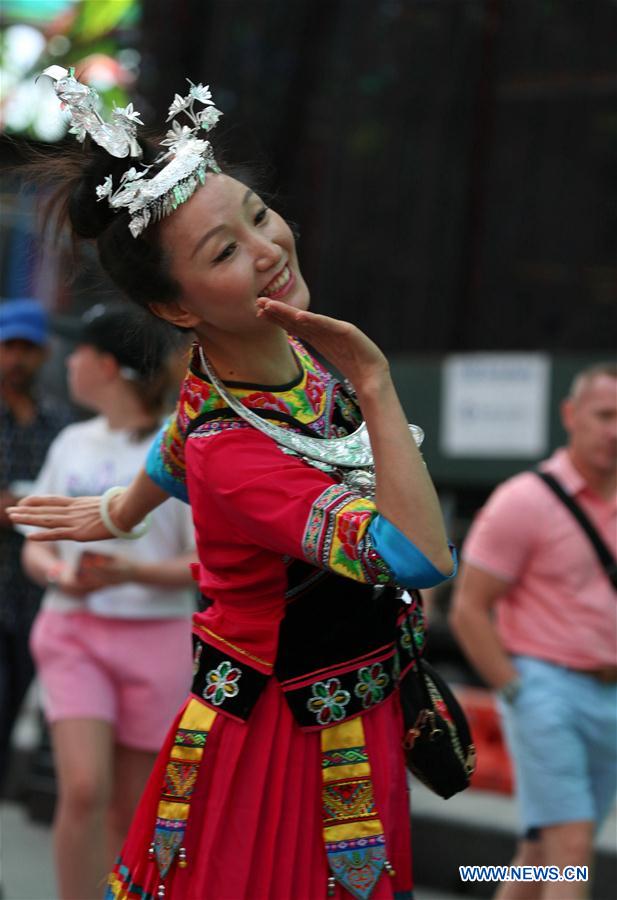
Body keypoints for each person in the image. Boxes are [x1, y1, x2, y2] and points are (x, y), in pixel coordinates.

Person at [9, 70, 456, 900]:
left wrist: (119, 509)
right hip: (285, 737)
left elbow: (174, 441)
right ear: (178, 310)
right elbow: (417, 555)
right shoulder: (241, 447)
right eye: (223, 252)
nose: (267, 249)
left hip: (348, 698)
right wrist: (378, 382)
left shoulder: (246, 363)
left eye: (257, 216)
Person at [19, 302, 197, 900]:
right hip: (73, 631)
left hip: (159, 642)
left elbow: (207, 564)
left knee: (132, 810)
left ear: (107, 365)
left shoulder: (181, 446)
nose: (67, 363)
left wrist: (131, 573)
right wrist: (55, 573)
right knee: (84, 790)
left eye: (80, 353)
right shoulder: (71, 441)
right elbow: (35, 544)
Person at [450, 363, 617, 900]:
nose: (615, 430)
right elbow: (469, 609)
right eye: (605, 415)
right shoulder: (525, 500)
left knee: (542, 857)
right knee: (573, 850)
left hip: (609, 697)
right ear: (571, 416)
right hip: (546, 691)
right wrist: (518, 692)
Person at [0, 298, 73, 789]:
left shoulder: (57, 423)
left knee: (10, 708)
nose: (18, 358)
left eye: (28, 348)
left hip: (31, 591)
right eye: (10, 347)